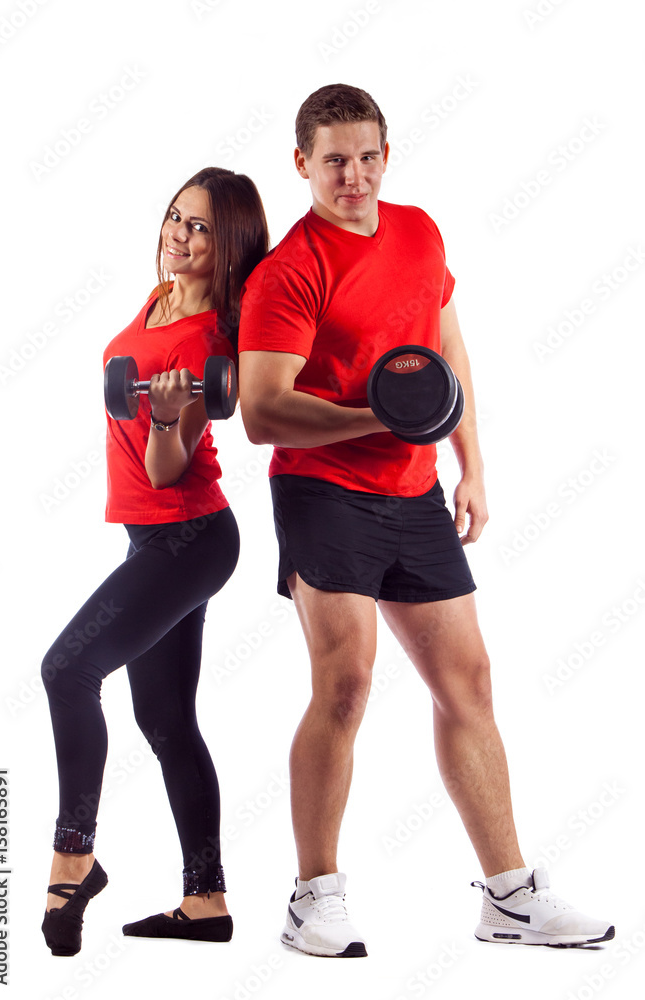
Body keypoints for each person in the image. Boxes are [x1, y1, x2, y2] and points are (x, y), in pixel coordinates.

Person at [237, 84, 614, 957]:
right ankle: (312, 897)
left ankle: (510, 895)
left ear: (385, 154)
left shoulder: (417, 231)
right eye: (334, 160)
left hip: (413, 493)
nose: (354, 176)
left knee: (469, 684)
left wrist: (469, 463)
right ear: (301, 164)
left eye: (368, 156)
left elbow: (446, 353)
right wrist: (381, 416)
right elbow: (262, 411)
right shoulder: (289, 270)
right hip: (324, 489)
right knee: (346, 683)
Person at [41, 166, 269, 956]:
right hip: (154, 538)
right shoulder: (161, 296)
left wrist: (170, 416)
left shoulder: (213, 342)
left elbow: (169, 468)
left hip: (190, 537)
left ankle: (74, 857)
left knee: (67, 670)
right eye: (177, 216)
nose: (180, 233)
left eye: (202, 227)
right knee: (165, 720)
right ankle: (205, 901)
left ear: (230, 242)